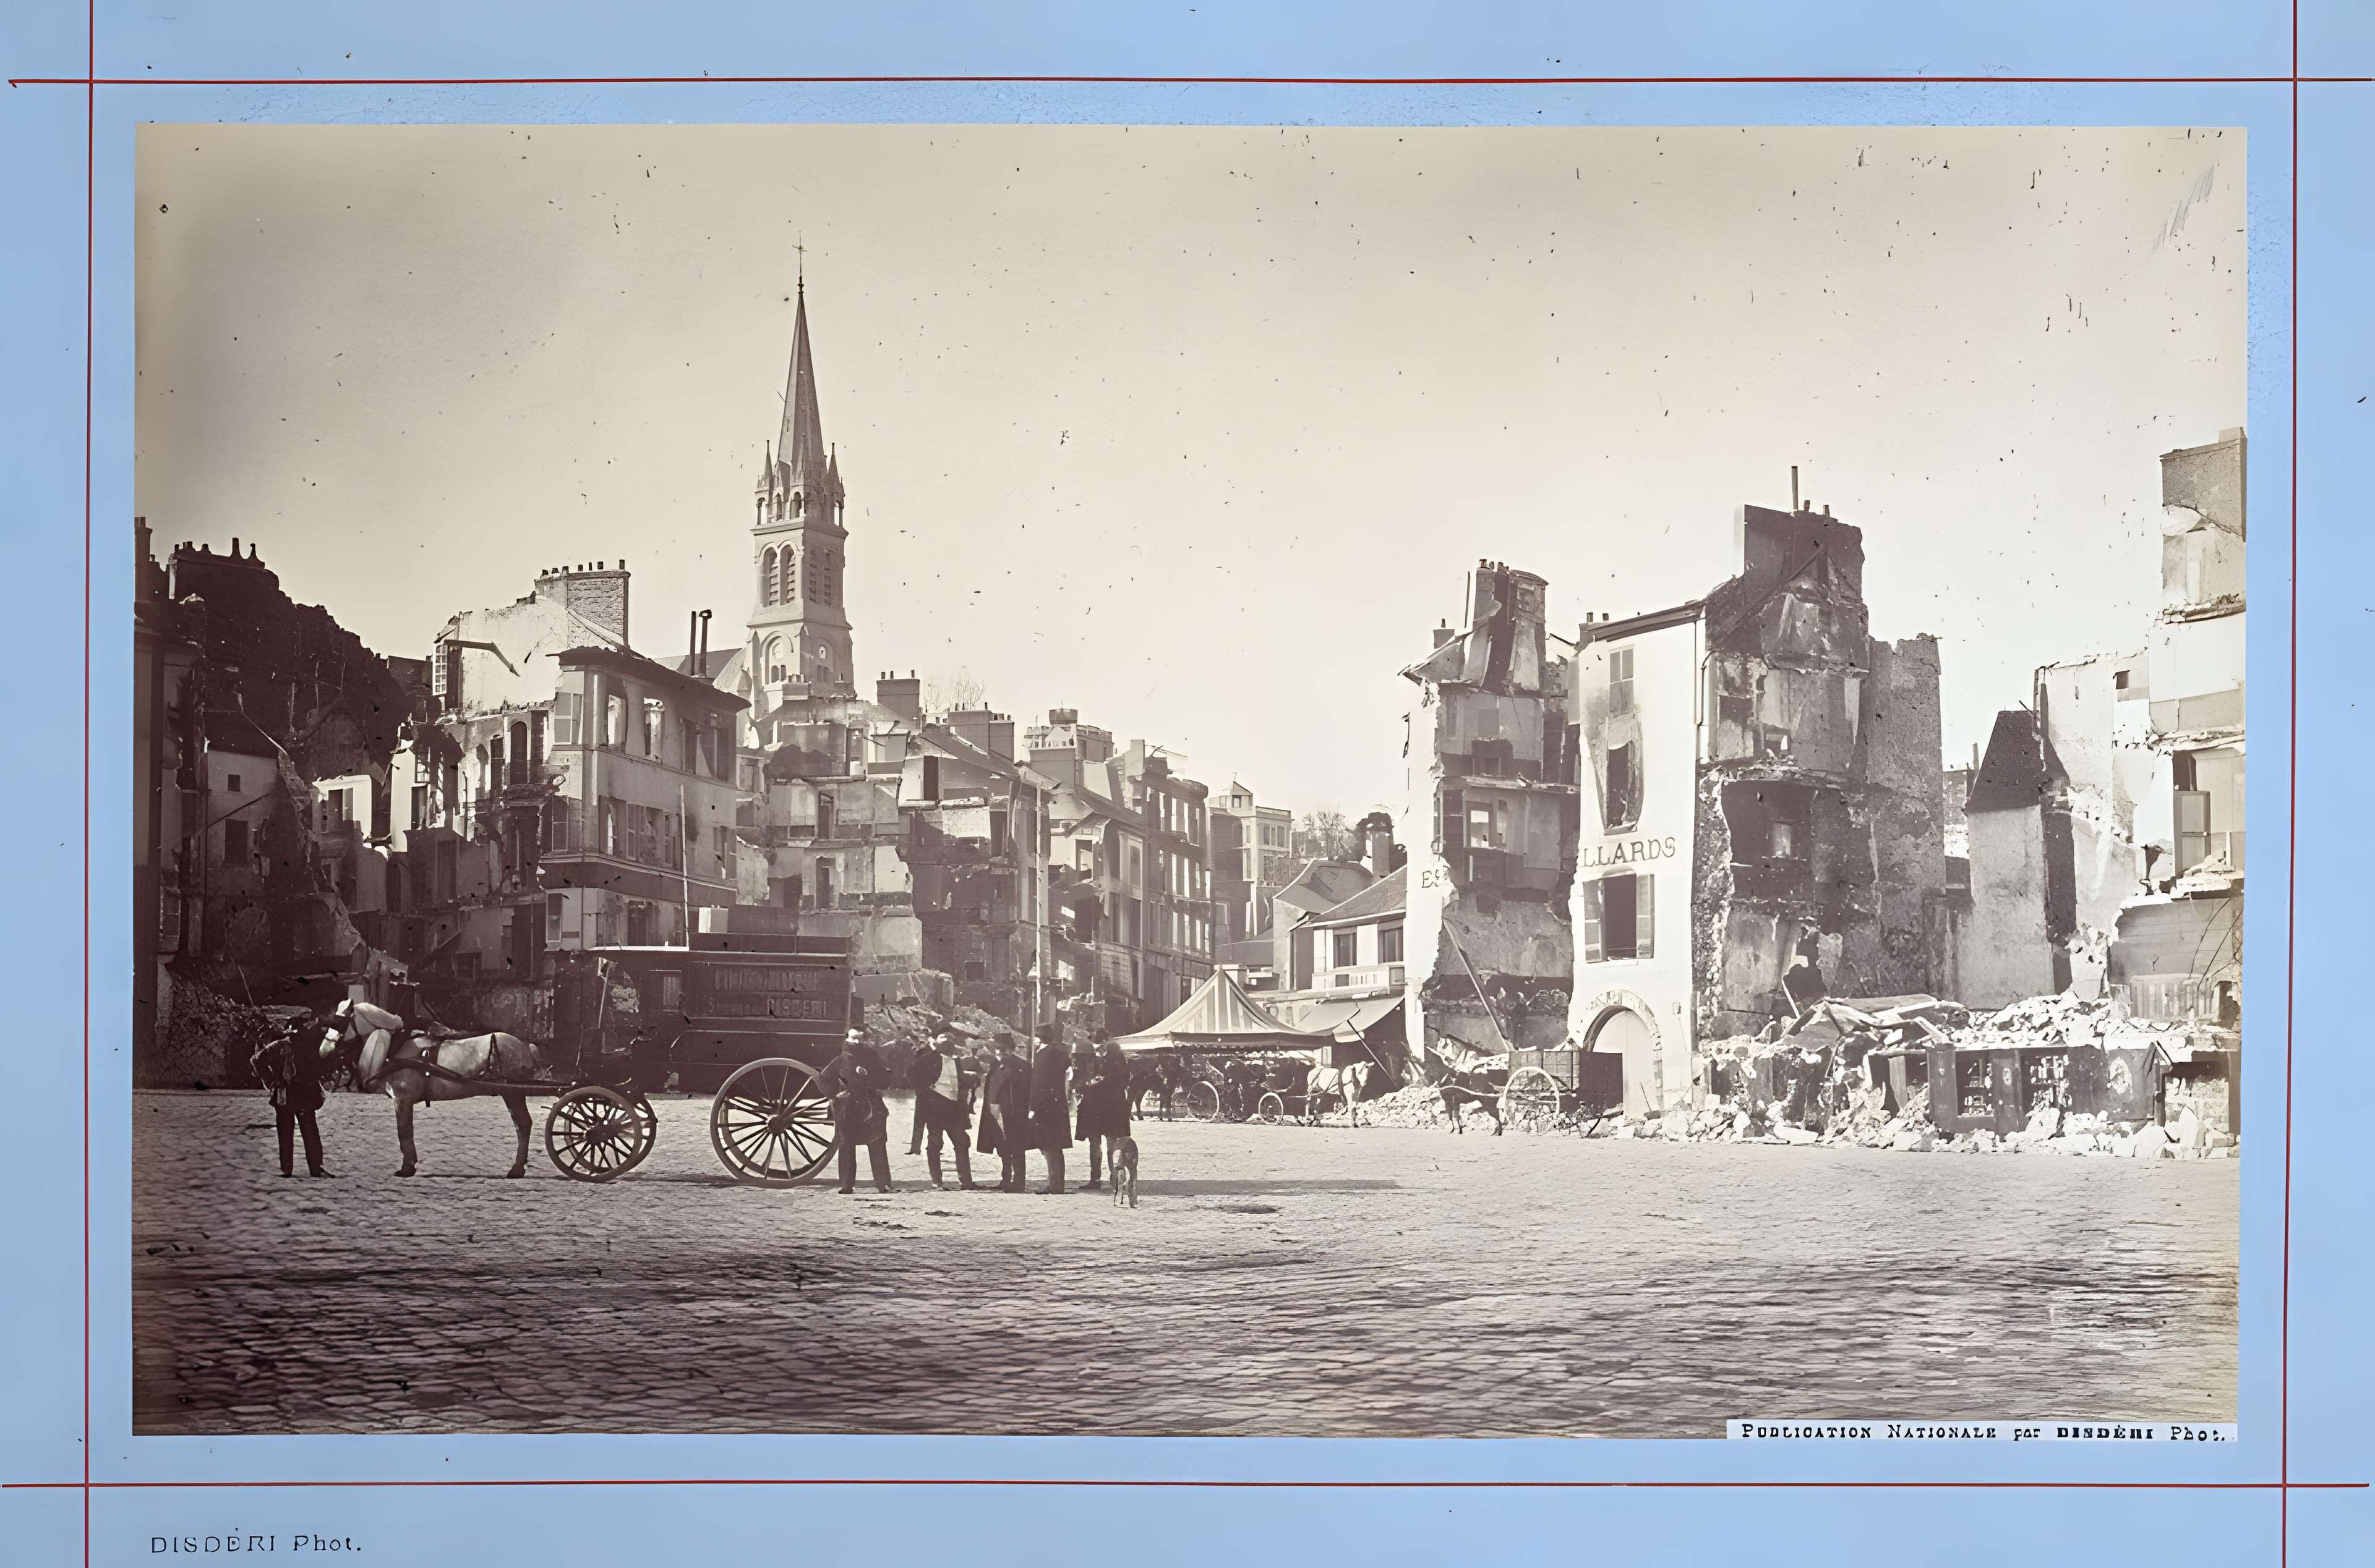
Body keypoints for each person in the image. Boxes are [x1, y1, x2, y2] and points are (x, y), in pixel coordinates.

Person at [251, 1013, 336, 1178]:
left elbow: (256, 1060)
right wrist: (270, 1081)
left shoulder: (304, 1048)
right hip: (288, 1094)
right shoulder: (279, 1047)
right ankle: (294, 1169)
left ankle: (309, 1168)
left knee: (304, 1132)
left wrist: (270, 1081)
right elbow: (256, 1060)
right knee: (294, 1132)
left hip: (303, 1094)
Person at [818, 1029, 893, 1195]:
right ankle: (846, 1186)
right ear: (847, 1039)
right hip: (848, 1107)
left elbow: (885, 1081)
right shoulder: (841, 1060)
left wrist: (874, 1080)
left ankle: (884, 1185)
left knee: (877, 1143)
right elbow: (823, 1079)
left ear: (865, 1040)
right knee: (846, 1145)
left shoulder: (874, 1058)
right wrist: (834, 1095)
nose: (857, 1043)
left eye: (860, 1039)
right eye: (853, 1039)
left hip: (871, 1106)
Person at [904, 1031, 980, 1190]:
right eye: (945, 1045)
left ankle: (966, 1182)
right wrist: (926, 1088)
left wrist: (971, 1081)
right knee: (935, 1143)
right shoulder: (929, 1059)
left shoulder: (957, 1061)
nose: (948, 1048)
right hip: (935, 1108)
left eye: (950, 1045)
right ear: (938, 1046)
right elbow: (911, 1073)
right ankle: (937, 1181)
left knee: (962, 1142)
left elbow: (957, 1082)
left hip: (954, 1110)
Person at [976, 1033, 1033, 1191]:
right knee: (1002, 1147)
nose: (999, 1053)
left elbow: (1025, 1091)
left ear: (1010, 1049)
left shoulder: (1021, 1066)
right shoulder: (997, 1066)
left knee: (1015, 1146)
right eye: (996, 1050)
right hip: (995, 1111)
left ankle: (1018, 1181)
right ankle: (1006, 1178)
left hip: (1012, 1113)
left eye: (1001, 1049)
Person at [1074, 1037, 1132, 1191]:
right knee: (1111, 1146)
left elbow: (1091, 1084)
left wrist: (1086, 1087)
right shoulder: (1124, 1069)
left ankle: (1096, 1179)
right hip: (1114, 1111)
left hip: (1097, 1110)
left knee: (1096, 1146)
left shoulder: (1100, 1066)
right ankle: (1115, 1178)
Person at [1028, 1027, 1074, 1193]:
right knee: (1054, 1146)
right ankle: (1057, 1183)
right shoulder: (1061, 1054)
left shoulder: (1041, 1057)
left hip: (1044, 1105)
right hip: (1057, 1104)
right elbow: (1069, 1076)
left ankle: (1055, 1185)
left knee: (1049, 1145)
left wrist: (1032, 1106)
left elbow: (1038, 1084)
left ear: (1040, 1039)